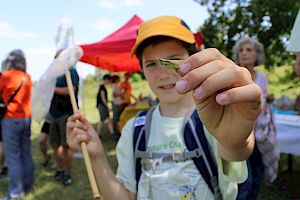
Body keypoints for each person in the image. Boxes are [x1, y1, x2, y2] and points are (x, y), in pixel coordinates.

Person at [66, 16, 262, 200]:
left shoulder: (214, 118)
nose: (163, 72)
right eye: (151, 64)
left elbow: (235, 152)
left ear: (194, 60)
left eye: (174, 60)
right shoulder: (133, 129)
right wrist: (97, 157)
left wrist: (237, 142)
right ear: (142, 70)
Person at [232, 37, 279, 198]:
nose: (244, 53)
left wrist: (268, 97)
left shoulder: (262, 78)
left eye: (249, 50)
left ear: (257, 55)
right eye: (241, 50)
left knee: (258, 169)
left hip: (260, 134)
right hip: (241, 134)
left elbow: (262, 98)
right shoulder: (234, 75)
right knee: (244, 175)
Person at [0, 49, 34, 199]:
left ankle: (15, 191)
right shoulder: (27, 77)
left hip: (10, 119)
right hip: (26, 118)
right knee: (25, 152)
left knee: (13, 156)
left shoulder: (5, 77)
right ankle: (27, 184)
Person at [48, 50, 79, 186]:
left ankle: (67, 173)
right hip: (53, 114)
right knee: (55, 144)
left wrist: (53, 89)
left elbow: (72, 89)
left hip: (66, 114)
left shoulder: (71, 72)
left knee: (67, 146)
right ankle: (60, 170)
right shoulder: (54, 75)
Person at [96, 74, 115, 138]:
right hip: (102, 106)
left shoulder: (102, 87)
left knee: (107, 120)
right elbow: (103, 98)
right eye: (109, 80)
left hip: (102, 105)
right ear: (106, 80)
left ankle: (112, 134)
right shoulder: (102, 87)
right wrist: (107, 107)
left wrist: (108, 101)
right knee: (103, 120)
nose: (109, 82)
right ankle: (98, 134)